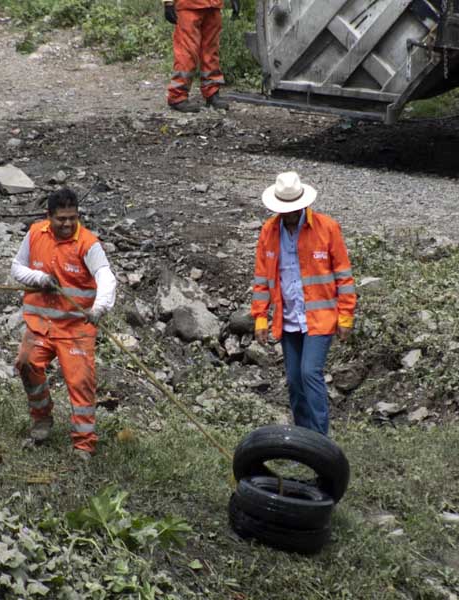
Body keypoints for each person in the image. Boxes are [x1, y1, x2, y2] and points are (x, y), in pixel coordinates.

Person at [11, 188, 117, 458]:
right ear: (49, 217)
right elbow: (16, 268)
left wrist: (99, 307)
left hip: (75, 329)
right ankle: (42, 419)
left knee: (80, 383)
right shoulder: (35, 233)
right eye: (61, 219)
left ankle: (84, 444)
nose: (68, 224)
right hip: (41, 325)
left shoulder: (88, 244)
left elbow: (105, 276)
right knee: (26, 364)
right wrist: (39, 278)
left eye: (73, 218)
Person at [250, 172, 357, 435]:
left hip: (320, 318)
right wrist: (261, 318)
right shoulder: (269, 232)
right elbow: (262, 278)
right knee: (295, 382)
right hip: (287, 319)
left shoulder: (327, 228)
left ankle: (321, 441)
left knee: (310, 373)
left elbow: (344, 275)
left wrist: (345, 317)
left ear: (302, 205)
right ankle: (303, 439)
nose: (289, 214)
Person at [163, 0, 239, 112]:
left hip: (213, 6)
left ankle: (212, 93)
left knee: (211, 51)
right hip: (189, 6)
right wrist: (168, 2)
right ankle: (177, 96)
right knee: (187, 53)